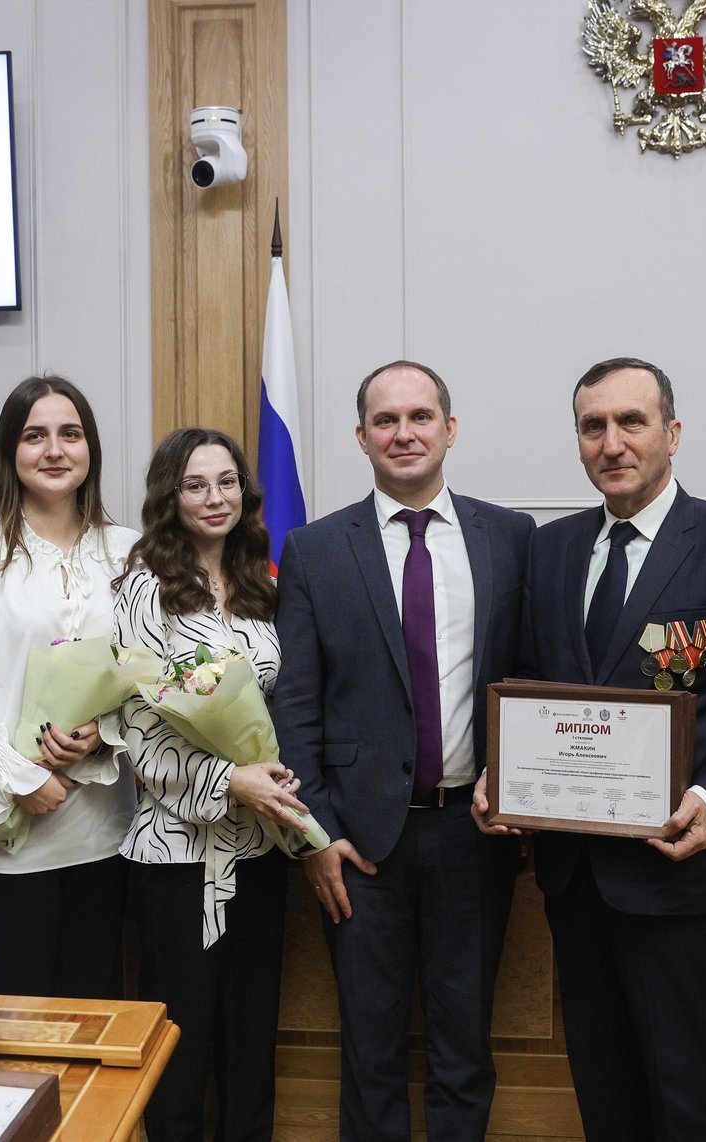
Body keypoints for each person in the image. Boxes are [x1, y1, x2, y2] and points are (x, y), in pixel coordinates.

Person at [485, 356, 706, 1141]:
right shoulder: (553, 549)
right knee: (604, 1085)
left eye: (631, 422)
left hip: (678, 873)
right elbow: (534, 681)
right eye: (593, 426)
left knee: (685, 1088)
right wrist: (507, 769)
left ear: (671, 433)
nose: (612, 443)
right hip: (576, 872)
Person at [274, 360, 531, 1141]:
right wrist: (315, 835)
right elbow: (297, 706)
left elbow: (533, 676)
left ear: (450, 430)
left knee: (463, 1048)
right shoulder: (314, 549)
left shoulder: (511, 538)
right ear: (361, 438)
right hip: (360, 843)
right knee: (371, 1049)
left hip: (475, 834)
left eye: (421, 416)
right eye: (385, 421)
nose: (404, 433)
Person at [113, 427, 307, 1142]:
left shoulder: (265, 586)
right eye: (195, 485)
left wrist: (275, 780)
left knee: (251, 1043)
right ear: (170, 496)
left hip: (259, 851)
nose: (214, 497)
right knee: (181, 1051)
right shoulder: (143, 590)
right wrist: (231, 781)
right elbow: (140, 725)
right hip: (175, 853)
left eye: (226, 482)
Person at [0, 375, 139, 999]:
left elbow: (146, 674)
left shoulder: (129, 553)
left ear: (90, 448)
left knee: (91, 1017)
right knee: (13, 1030)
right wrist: (17, 775)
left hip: (99, 828)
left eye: (70, 434)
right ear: (9, 451)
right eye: (33, 435)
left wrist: (105, 735)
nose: (53, 450)